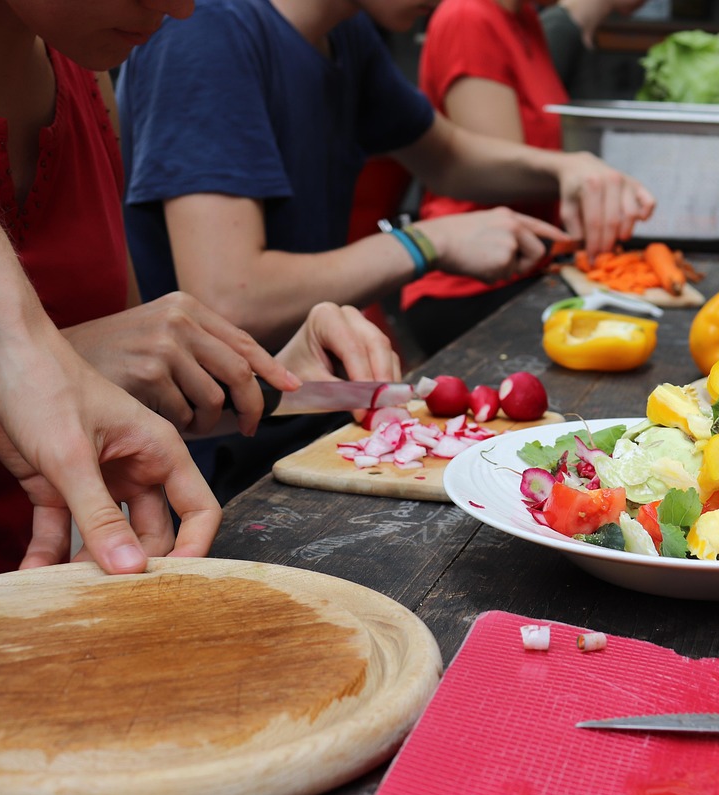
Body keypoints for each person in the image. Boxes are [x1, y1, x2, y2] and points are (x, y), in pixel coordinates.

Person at [0, 0, 402, 581]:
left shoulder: (85, 72)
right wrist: (75, 355)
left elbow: (129, 401)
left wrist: (274, 382)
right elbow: (77, 366)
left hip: (92, 579)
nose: (182, 8)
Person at [116, 0, 654, 495]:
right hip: (216, 457)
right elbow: (230, 298)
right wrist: (426, 241)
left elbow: (445, 155)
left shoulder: (346, 34)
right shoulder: (205, 35)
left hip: (317, 415)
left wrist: (566, 169)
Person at [403, 0, 645, 352]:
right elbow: (495, 174)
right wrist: (573, 170)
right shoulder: (467, 16)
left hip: (532, 269)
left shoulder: (525, 18)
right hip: (471, 286)